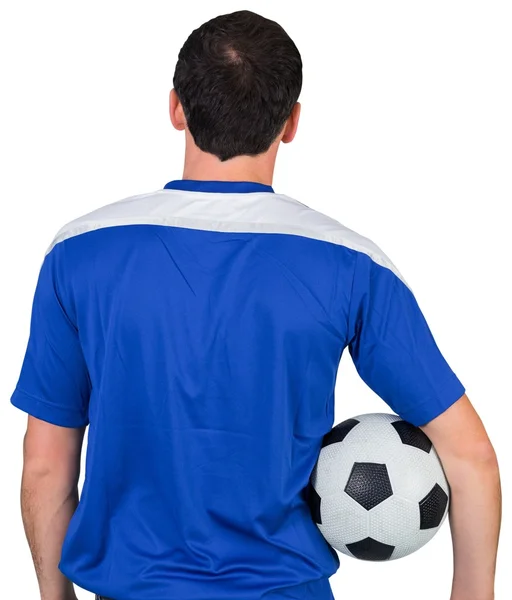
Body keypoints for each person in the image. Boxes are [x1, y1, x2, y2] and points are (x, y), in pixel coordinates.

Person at [11, 9, 501, 600]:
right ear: (292, 122)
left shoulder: (80, 252)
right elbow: (470, 456)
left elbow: (45, 466)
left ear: (174, 108)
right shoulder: (351, 264)